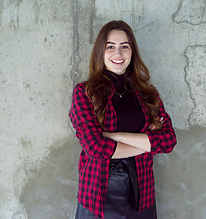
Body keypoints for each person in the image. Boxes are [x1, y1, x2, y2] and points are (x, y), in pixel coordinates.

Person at [69, 20, 177, 219]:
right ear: (101, 52)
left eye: (124, 47)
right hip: (98, 197)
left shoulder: (148, 95)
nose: (117, 54)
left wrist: (115, 135)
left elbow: (169, 141)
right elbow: (96, 148)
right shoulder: (84, 93)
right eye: (110, 47)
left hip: (142, 195)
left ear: (132, 52)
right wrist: (148, 143)